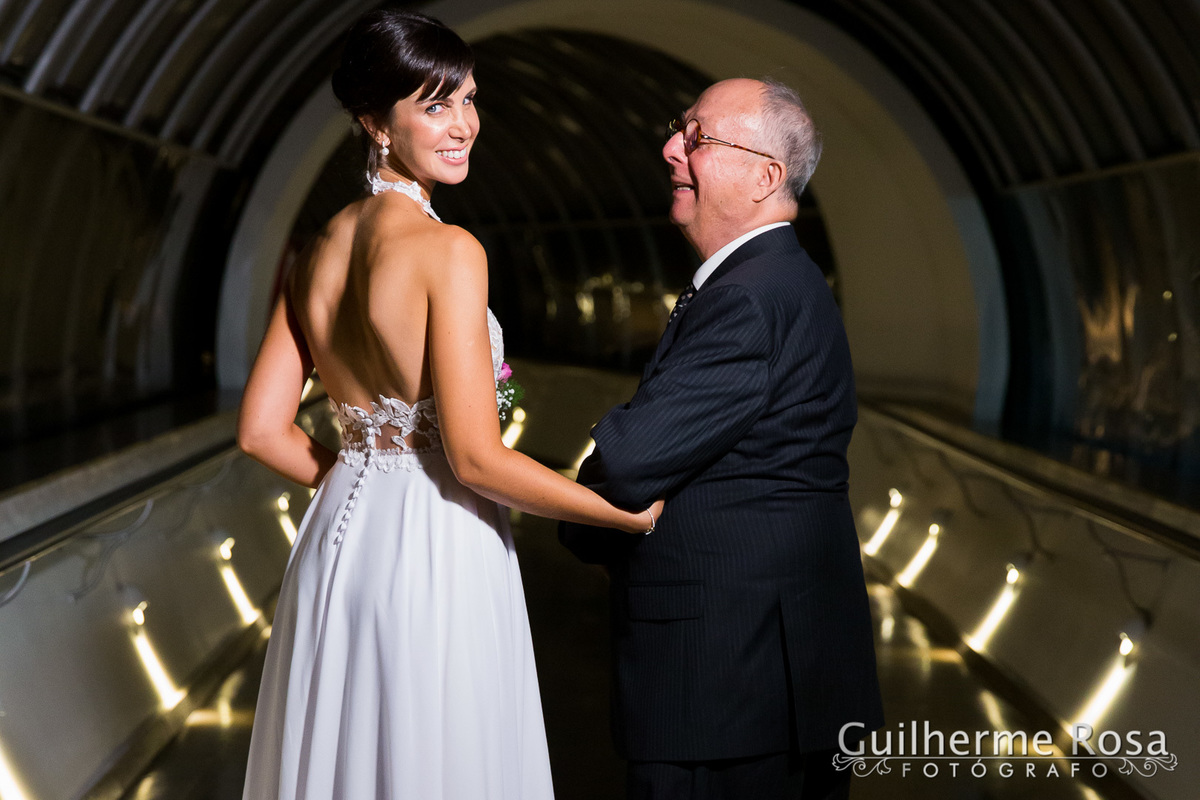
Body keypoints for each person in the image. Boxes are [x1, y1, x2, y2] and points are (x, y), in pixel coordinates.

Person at [236, 10, 660, 799]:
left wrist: (362, 482)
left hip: (336, 543)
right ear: (376, 124)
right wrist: (621, 515)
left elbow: (261, 432)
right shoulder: (450, 251)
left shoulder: (313, 253)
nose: (464, 124)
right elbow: (474, 460)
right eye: (435, 105)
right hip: (436, 541)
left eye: (468, 98)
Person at [559, 78, 884, 800]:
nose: (670, 149)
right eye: (680, 129)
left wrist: (586, 506)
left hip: (730, 688)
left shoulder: (746, 296)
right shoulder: (777, 280)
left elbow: (630, 461)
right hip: (770, 681)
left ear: (766, 177)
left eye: (697, 137)